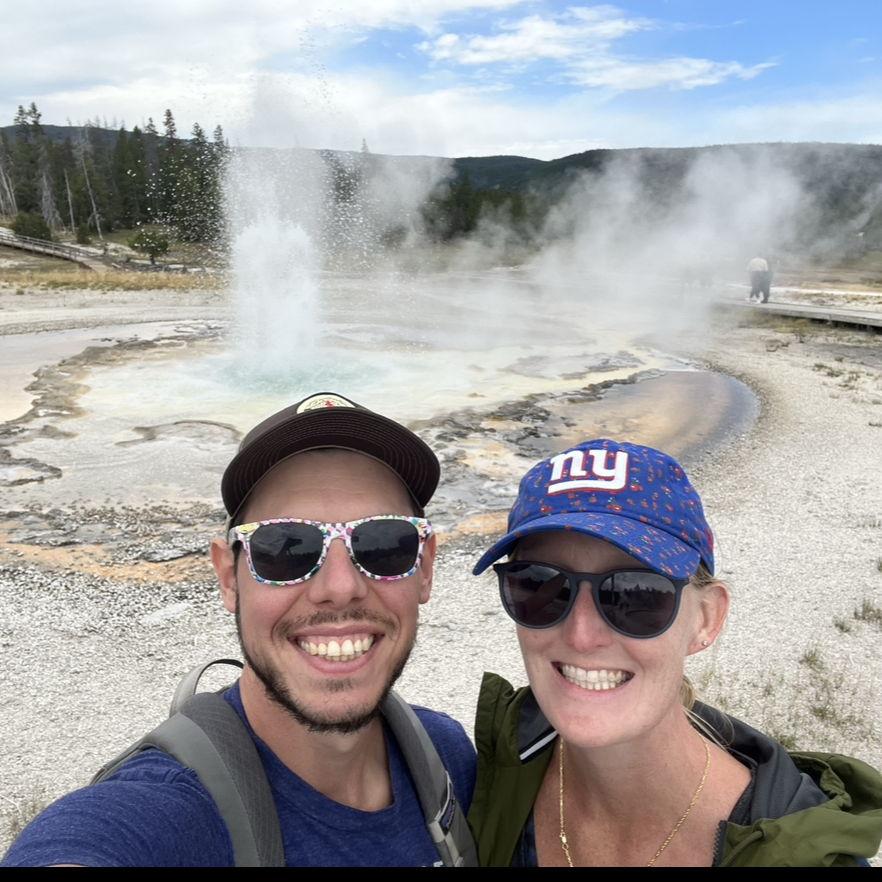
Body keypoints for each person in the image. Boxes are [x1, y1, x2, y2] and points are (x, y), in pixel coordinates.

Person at [4, 392, 476, 867]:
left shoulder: (446, 760)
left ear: (426, 568)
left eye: (383, 543)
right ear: (229, 578)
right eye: (286, 547)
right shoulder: (168, 812)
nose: (340, 587)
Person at [467, 439, 882, 867]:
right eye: (539, 586)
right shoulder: (486, 772)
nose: (582, 635)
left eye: (635, 595)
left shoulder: (798, 854)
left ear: (706, 618)